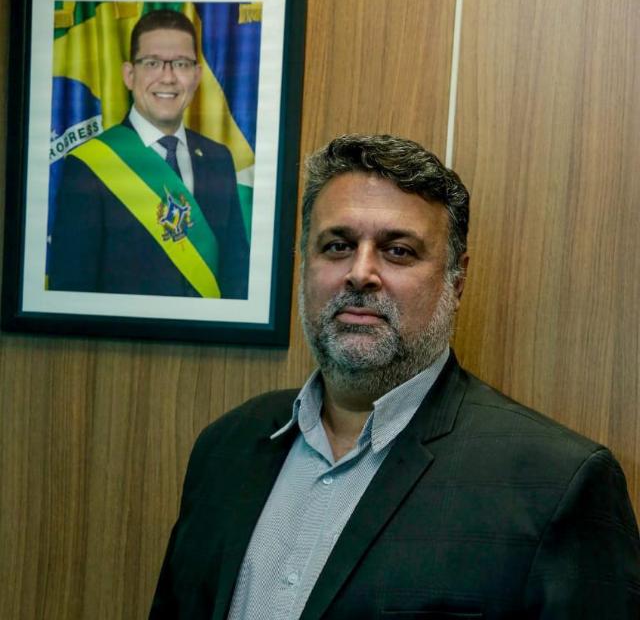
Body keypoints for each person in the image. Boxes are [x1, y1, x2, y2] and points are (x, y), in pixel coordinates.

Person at [149, 134, 640, 618]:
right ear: (304, 266)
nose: (360, 273)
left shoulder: (554, 483)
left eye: (398, 251)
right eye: (337, 245)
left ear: (456, 280)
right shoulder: (226, 448)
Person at [49, 9, 249, 299]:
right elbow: (71, 292)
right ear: (129, 75)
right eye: (152, 63)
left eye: (181, 64)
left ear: (196, 76)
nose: (167, 78)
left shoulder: (219, 159)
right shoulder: (88, 166)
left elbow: (237, 278)